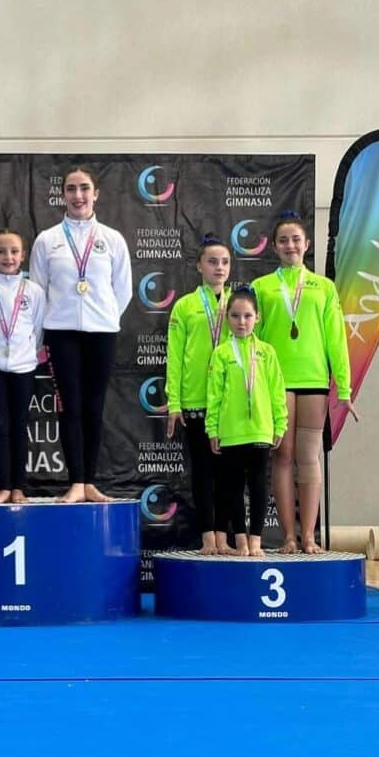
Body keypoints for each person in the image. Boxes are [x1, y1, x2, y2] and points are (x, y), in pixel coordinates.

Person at [252, 211, 358, 554]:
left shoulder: (323, 287)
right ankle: (288, 536)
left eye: (296, 239)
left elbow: (336, 339)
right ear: (274, 246)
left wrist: (344, 387)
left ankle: (309, 536)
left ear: (307, 244)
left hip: (313, 379)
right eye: (283, 240)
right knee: (282, 457)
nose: (290, 245)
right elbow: (252, 338)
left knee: (309, 457)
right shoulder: (261, 287)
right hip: (276, 381)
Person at [29, 166, 132, 502]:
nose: (78, 195)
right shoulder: (47, 240)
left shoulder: (112, 239)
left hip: (102, 334)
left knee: (94, 408)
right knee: (69, 407)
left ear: (95, 194)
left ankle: (90, 482)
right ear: (62, 195)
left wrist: (104, 317)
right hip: (61, 334)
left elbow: (123, 291)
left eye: (84, 188)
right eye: (71, 189)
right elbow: (38, 292)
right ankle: (76, 481)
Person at [205, 287, 287, 558]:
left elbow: (277, 391)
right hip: (231, 432)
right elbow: (214, 395)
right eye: (235, 316)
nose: (242, 322)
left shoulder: (267, 352)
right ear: (227, 318)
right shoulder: (221, 353)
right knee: (233, 488)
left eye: (248, 316)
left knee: (260, 487)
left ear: (257, 318)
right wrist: (212, 428)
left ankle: (256, 540)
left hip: (261, 430)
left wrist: (280, 424)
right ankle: (240, 540)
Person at [165, 235, 233, 554]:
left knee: (228, 473)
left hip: (232, 402)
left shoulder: (239, 305)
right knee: (203, 471)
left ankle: (224, 536)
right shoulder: (185, 306)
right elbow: (175, 356)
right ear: (198, 266)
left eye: (225, 262)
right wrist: (174, 402)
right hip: (196, 400)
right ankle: (208, 536)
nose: (219, 268)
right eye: (212, 262)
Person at [0, 230, 45, 504]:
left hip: (24, 367)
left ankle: (18, 488)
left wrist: (25, 354)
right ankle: (3, 486)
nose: (8, 257)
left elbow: (38, 331)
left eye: (14, 251)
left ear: (23, 255)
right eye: (1, 251)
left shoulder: (34, 292)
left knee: (20, 424)